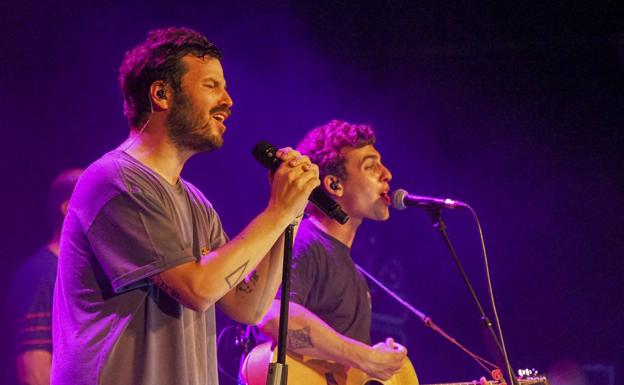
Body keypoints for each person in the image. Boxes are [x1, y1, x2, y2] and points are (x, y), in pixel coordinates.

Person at [51, 27, 319, 385]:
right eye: (212, 85)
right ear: (161, 94)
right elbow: (198, 288)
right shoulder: (115, 179)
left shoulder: (196, 203)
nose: (228, 100)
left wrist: (292, 213)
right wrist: (276, 211)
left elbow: (248, 307)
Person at [258, 120, 407, 381]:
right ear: (335, 185)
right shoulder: (303, 242)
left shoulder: (355, 272)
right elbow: (271, 315)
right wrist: (364, 356)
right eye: (371, 166)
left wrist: (375, 361)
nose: (387, 174)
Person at [8, 168, 82, 385]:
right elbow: (34, 371)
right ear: (68, 209)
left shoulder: (77, 272)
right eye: (95, 202)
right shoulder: (42, 274)